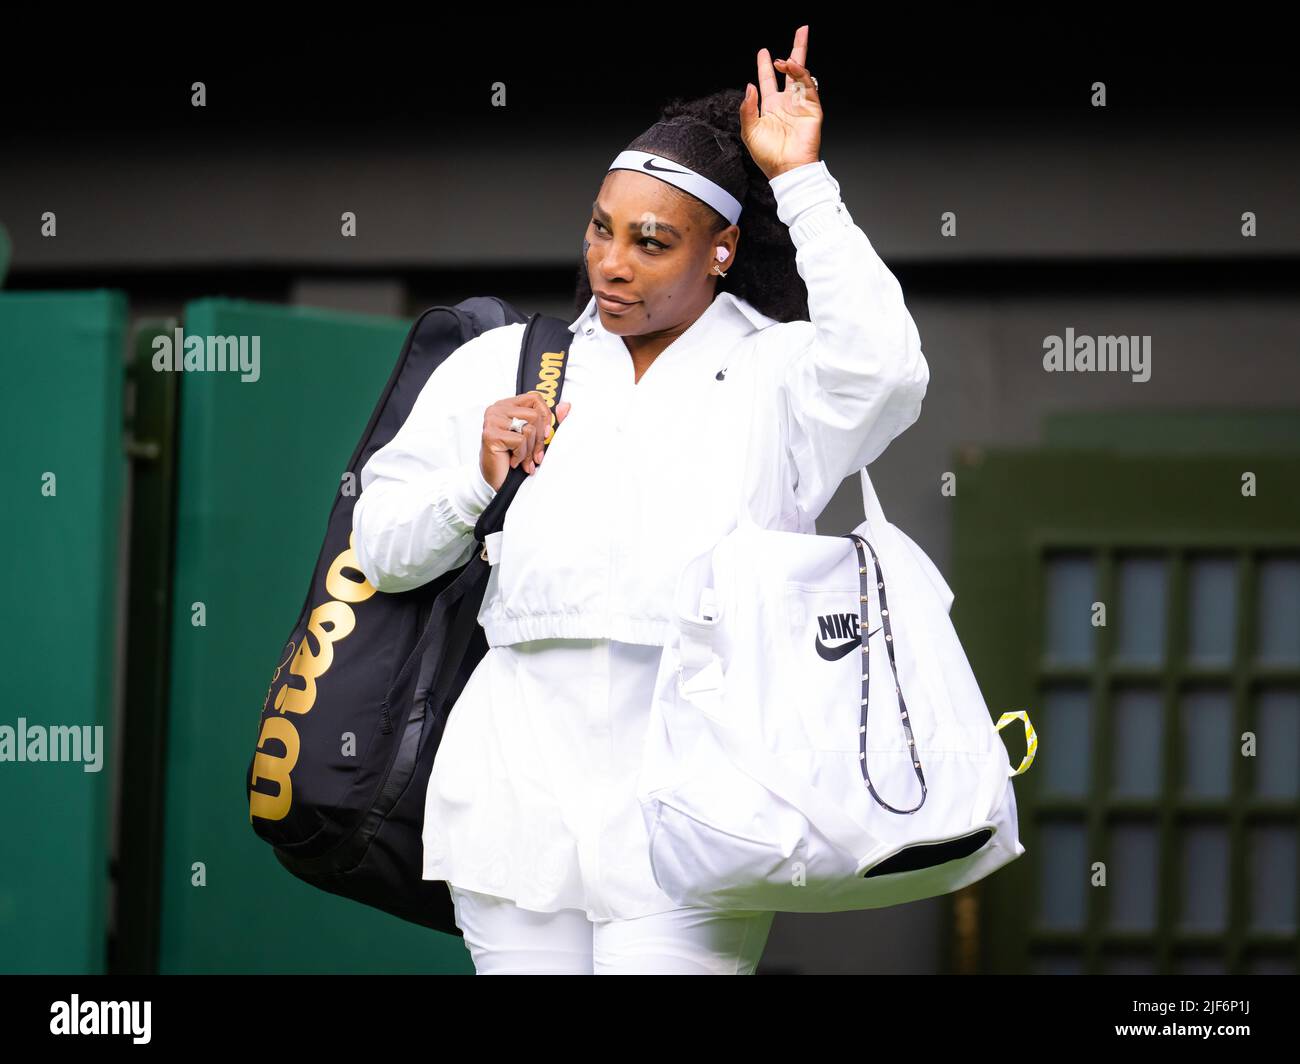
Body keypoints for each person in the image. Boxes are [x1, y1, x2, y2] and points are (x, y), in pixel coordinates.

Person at [350, 25, 930, 974]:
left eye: (651, 243)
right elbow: (384, 549)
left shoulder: (778, 374)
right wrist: (475, 477)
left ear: (721, 249)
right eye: (600, 230)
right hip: (514, 801)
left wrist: (803, 183)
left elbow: (889, 373)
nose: (610, 264)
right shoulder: (509, 363)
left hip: (700, 798)